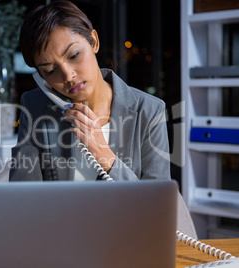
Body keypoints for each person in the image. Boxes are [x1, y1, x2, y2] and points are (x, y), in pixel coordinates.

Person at [9, 0, 171, 182]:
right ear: (41, 77)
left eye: (74, 55)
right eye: (50, 71)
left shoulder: (149, 110)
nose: (68, 76)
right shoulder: (35, 106)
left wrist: (103, 154)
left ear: (93, 41)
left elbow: (156, 203)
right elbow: (23, 195)